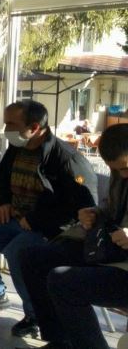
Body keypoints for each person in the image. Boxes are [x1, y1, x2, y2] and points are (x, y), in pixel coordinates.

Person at [0, 100, 97, 339]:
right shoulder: (18, 147)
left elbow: (82, 207)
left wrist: (37, 220)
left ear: (34, 127)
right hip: (14, 217)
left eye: (11, 124)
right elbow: (2, 180)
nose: (6, 130)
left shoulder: (66, 159)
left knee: (19, 252)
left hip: (48, 229)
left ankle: (35, 314)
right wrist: (4, 200)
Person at [19, 123, 128, 349]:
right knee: (33, 258)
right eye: (116, 169)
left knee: (64, 281)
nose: (121, 174)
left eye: (125, 168)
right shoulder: (121, 175)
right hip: (109, 249)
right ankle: (61, 340)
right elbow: (111, 209)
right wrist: (94, 213)